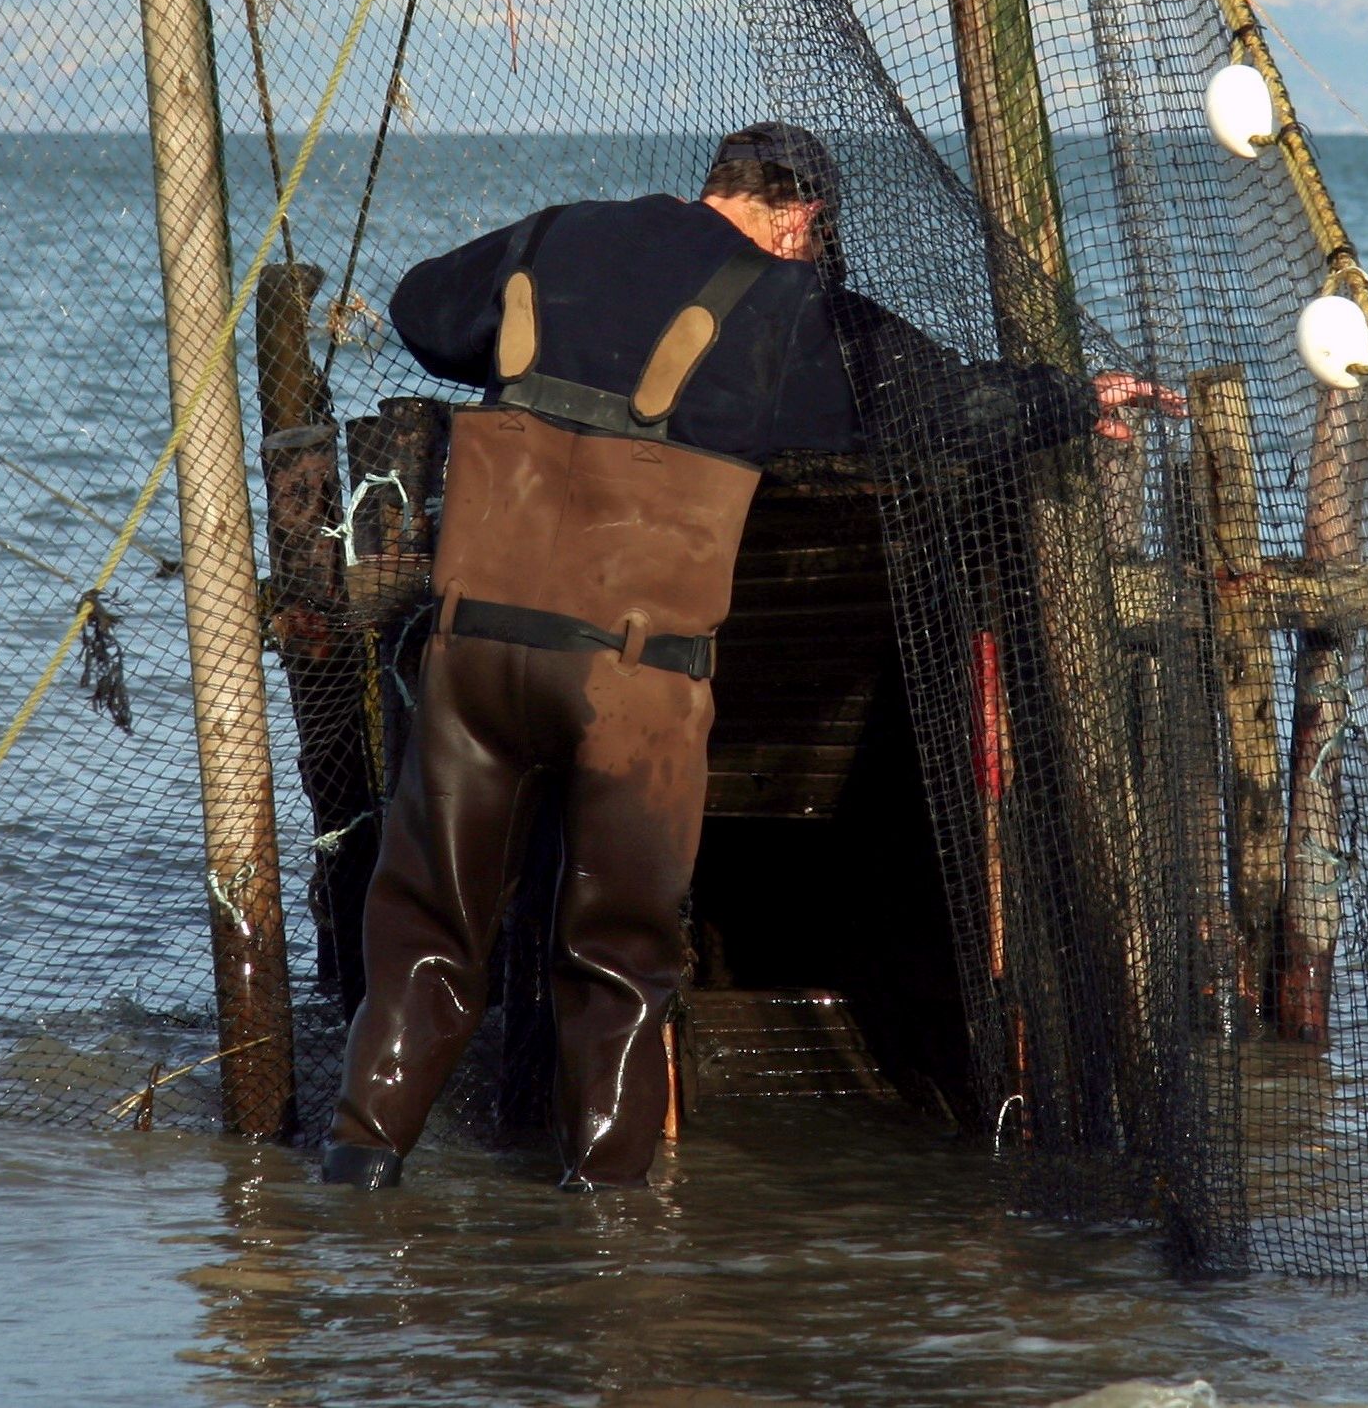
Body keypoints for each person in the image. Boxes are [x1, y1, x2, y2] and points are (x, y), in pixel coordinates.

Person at [320, 123, 1176, 1191]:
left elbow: (419, 311)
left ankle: (352, 1183)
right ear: (801, 219)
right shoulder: (784, 307)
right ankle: (607, 1221)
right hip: (631, 685)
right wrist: (1070, 397)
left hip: (469, 655)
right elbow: (933, 404)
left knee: (426, 928)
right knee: (621, 960)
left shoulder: (558, 234)